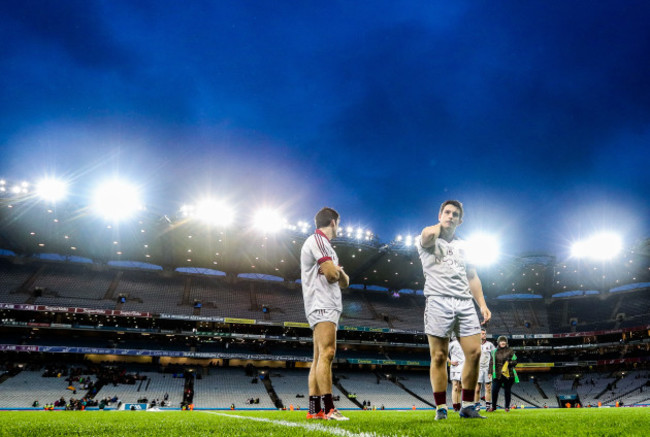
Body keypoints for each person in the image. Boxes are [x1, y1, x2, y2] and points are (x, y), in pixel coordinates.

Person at [416, 200, 492, 420]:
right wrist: (443, 225)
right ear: (439, 215)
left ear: (461, 220)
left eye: (455, 214)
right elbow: (428, 235)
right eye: (447, 212)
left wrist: (482, 304)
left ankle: (468, 406)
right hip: (438, 300)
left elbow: (472, 276)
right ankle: (441, 407)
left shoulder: (466, 246)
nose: (450, 216)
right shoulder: (427, 238)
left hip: (465, 302)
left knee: (475, 352)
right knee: (439, 356)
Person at [301, 207, 350, 421]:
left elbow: (345, 282)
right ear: (333, 222)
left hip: (322, 304)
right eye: (338, 223)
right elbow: (332, 275)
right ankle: (330, 408)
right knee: (328, 353)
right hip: (323, 303)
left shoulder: (326, 247)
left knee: (319, 356)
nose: (339, 227)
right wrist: (336, 270)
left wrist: (336, 271)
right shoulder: (319, 240)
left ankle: (315, 410)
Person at [487, 336, 518, 412]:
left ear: (506, 342)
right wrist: (490, 372)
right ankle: (493, 407)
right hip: (497, 374)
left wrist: (508, 363)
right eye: (501, 341)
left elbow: (515, 362)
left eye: (504, 341)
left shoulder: (510, 351)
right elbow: (491, 362)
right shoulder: (494, 352)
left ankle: (507, 407)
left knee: (507, 391)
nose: (503, 342)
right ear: (498, 342)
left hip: (508, 374)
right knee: (494, 391)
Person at [476, 328, 496, 410]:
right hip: (477, 369)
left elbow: (495, 356)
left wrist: (493, 369)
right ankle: (477, 405)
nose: (483, 335)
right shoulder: (474, 344)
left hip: (487, 369)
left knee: (488, 387)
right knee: (477, 388)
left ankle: (488, 406)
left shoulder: (490, 345)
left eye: (484, 333)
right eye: (482, 333)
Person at [448, 336, 464, 412]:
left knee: (460, 387)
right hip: (455, 368)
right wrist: (451, 362)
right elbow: (443, 353)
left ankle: (459, 406)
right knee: (455, 386)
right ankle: (455, 406)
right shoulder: (452, 344)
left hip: (463, 367)